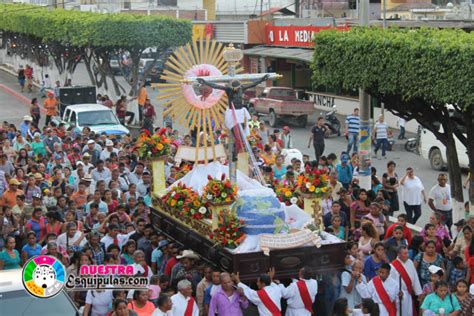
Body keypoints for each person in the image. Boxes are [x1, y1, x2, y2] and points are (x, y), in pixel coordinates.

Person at [389, 245, 422, 316]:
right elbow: (390, 283)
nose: (408, 255)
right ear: (398, 254)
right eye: (405, 253)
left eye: (408, 253)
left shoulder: (410, 262)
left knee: (408, 312)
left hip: (408, 293)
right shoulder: (393, 266)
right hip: (399, 294)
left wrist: (418, 292)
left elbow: (415, 277)